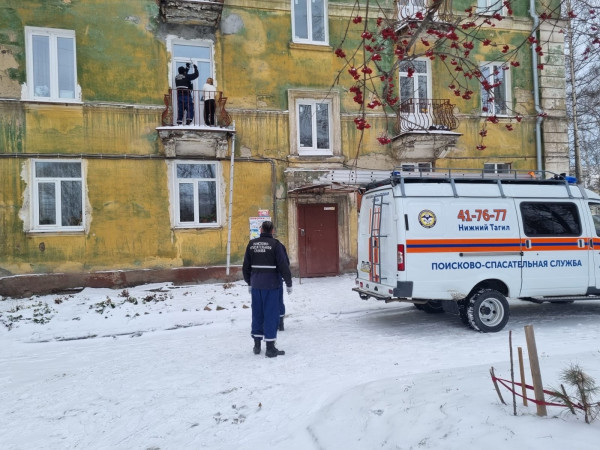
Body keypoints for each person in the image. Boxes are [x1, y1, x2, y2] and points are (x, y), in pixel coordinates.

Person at [243, 221, 292, 358]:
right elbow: (283, 265)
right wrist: (288, 283)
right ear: (272, 230)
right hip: (271, 285)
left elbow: (246, 266)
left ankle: (257, 345)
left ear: (261, 229)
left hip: (256, 285)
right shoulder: (276, 245)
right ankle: (270, 348)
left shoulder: (252, 244)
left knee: (257, 313)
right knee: (270, 315)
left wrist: (249, 282)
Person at [278, 243, 289, 331]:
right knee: (279, 301)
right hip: (276, 279)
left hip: (260, 281)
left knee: (265, 303)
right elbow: (286, 263)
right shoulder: (279, 245)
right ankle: (280, 323)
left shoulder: (255, 245)